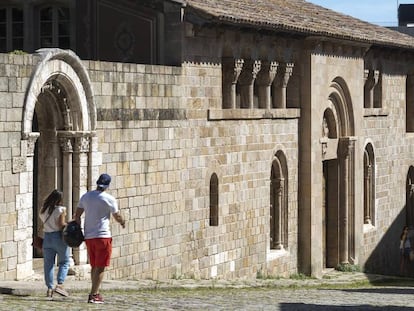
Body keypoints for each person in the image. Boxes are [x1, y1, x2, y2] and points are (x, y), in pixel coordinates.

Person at [74, 173, 125, 304]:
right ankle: (93, 295)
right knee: (101, 266)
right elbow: (117, 215)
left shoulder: (86, 196)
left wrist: (78, 229)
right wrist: (122, 222)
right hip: (103, 236)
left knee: (94, 266)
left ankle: (95, 291)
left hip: (89, 236)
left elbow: (77, 215)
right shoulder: (109, 199)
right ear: (107, 185)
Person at [39, 189, 70, 298]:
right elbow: (60, 225)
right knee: (65, 262)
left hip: (47, 237)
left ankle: (49, 288)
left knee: (48, 264)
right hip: (58, 237)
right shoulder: (61, 210)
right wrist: (68, 223)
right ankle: (60, 284)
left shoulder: (43, 210)